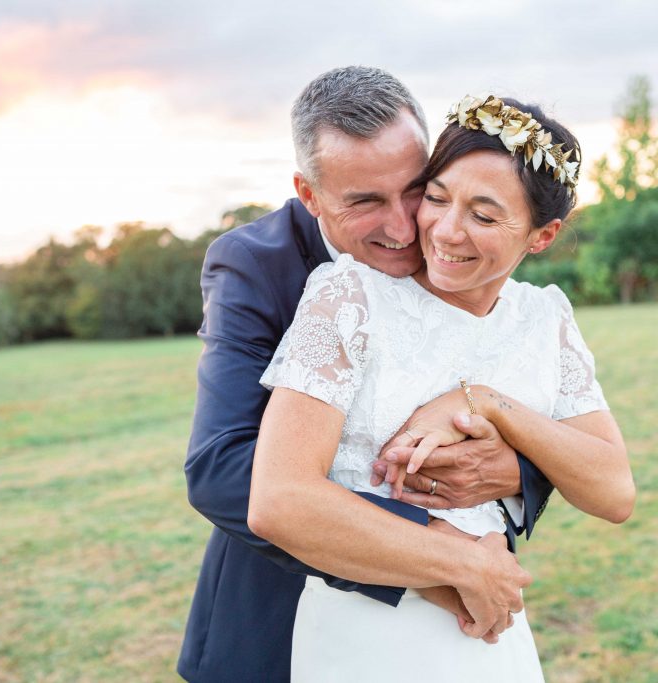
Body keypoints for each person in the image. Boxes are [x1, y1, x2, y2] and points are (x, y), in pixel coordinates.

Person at [178, 68, 556, 683]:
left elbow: (517, 377)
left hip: (459, 625)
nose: (406, 228)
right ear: (309, 194)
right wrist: (439, 557)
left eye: (415, 189)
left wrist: (520, 468)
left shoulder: (455, 247)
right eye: (364, 202)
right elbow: (221, 467)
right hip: (286, 615)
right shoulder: (253, 265)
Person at [249, 94, 636, 681]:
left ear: (542, 235)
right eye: (436, 197)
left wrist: (488, 402)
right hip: (368, 635)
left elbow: (614, 492)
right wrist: (465, 565)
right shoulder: (350, 298)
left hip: (492, 635)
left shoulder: (543, 319)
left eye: (483, 216)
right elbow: (279, 500)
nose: (445, 230)